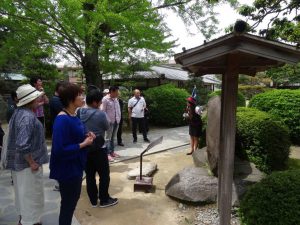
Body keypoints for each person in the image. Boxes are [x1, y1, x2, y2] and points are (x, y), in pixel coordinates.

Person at [50, 83, 95, 225]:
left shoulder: (73, 115)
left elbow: (76, 134)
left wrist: (87, 135)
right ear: (70, 99)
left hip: (74, 166)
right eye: (80, 95)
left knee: (71, 203)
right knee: (68, 206)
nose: (83, 97)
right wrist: (84, 144)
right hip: (67, 169)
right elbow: (59, 149)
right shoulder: (62, 119)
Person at [6, 84, 49, 225]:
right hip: (27, 166)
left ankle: (24, 220)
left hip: (19, 165)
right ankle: (30, 222)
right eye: (36, 97)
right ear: (30, 100)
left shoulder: (18, 113)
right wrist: (32, 162)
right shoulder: (27, 117)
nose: (39, 99)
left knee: (23, 196)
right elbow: (22, 144)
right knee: (31, 198)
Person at [78, 89, 118, 208]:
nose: (101, 103)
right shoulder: (100, 113)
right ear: (95, 102)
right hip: (99, 148)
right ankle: (104, 199)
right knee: (104, 175)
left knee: (90, 175)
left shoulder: (79, 111)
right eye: (100, 101)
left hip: (85, 148)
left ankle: (93, 200)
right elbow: (107, 127)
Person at [100, 86, 121, 162]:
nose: (118, 93)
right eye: (116, 92)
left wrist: (119, 118)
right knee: (107, 138)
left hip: (116, 121)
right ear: (112, 91)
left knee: (113, 138)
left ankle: (112, 152)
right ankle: (107, 154)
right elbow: (103, 111)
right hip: (109, 122)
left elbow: (117, 109)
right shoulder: (105, 99)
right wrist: (108, 120)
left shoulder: (116, 99)